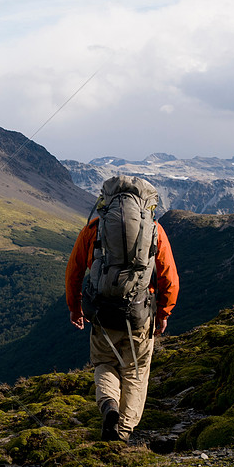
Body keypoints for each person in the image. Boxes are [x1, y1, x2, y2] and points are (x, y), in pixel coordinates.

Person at [65, 177, 179, 443]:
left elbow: (74, 272)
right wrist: (163, 314)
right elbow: (168, 278)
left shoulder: (94, 228)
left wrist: (75, 308)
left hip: (103, 313)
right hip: (140, 314)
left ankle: (109, 406)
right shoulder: (154, 230)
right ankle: (123, 433)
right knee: (135, 373)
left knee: (104, 363)